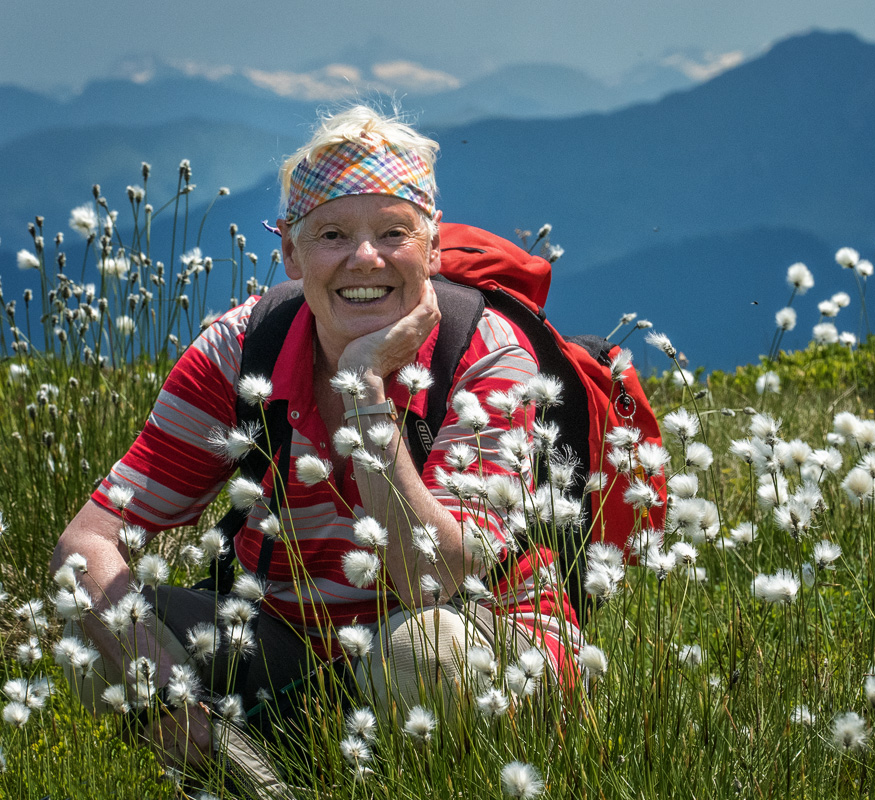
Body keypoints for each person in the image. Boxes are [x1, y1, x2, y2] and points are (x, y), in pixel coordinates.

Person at [51, 106, 580, 790]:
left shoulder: (486, 360)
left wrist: (364, 396)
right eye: (332, 234)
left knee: (424, 650)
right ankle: (251, 775)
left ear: (433, 250)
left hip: (476, 645)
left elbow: (431, 584)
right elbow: (85, 546)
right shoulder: (241, 353)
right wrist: (165, 696)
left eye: (394, 232)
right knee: (93, 636)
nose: (365, 257)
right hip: (292, 650)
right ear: (291, 255)